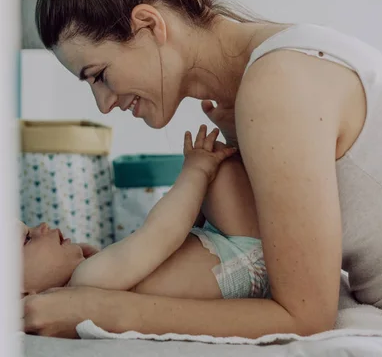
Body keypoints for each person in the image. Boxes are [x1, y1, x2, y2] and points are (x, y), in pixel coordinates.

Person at [24, 0, 382, 338]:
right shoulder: (271, 73)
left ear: (149, 25)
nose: (104, 103)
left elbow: (307, 317)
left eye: (99, 76)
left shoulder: (278, 85)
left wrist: (99, 309)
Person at [22, 127, 269, 306]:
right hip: (245, 259)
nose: (42, 226)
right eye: (27, 239)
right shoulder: (86, 280)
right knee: (216, 162)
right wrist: (196, 170)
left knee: (218, 165)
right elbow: (162, 232)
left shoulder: (86, 284)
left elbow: (169, 250)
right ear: (22, 294)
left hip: (228, 252)